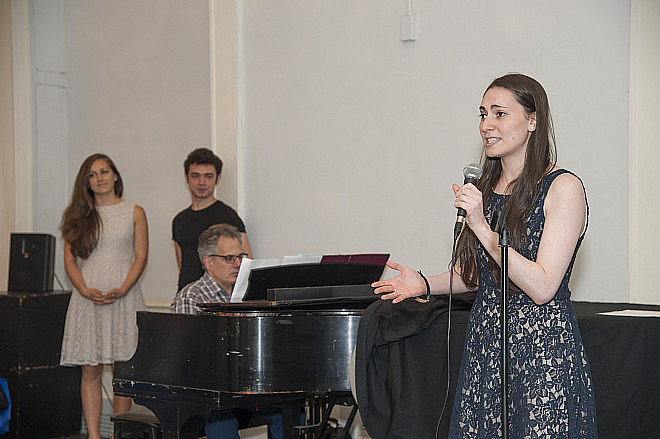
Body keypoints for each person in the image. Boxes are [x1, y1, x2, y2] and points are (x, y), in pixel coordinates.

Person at [372, 73, 597, 438]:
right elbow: (479, 275)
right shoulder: (485, 189)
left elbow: (541, 286)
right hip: (487, 347)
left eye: (499, 114)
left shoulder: (563, 188)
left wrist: (482, 228)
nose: (487, 125)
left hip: (541, 351)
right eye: (482, 114)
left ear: (533, 120)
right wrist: (425, 284)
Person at [60, 153, 148, 439]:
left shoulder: (135, 211)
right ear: (86, 182)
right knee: (90, 370)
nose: (99, 178)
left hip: (124, 295)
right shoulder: (77, 216)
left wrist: (124, 287)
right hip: (89, 297)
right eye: (93, 174)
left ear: (115, 176)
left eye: (104, 171)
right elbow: (70, 261)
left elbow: (141, 255)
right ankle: (95, 435)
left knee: (122, 371)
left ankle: (118, 434)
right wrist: (84, 290)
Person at [171, 224, 283, 439]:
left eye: (240, 257)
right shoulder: (192, 297)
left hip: (242, 384)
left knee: (288, 409)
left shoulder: (247, 293)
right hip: (203, 388)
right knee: (220, 416)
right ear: (208, 262)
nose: (238, 264)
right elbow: (186, 356)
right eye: (229, 258)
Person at [172, 147, 252, 292]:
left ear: (218, 178)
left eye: (208, 176)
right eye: (195, 176)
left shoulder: (228, 217)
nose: (201, 182)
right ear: (186, 177)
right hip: (187, 295)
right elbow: (182, 263)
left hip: (219, 299)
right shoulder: (179, 220)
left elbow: (246, 264)